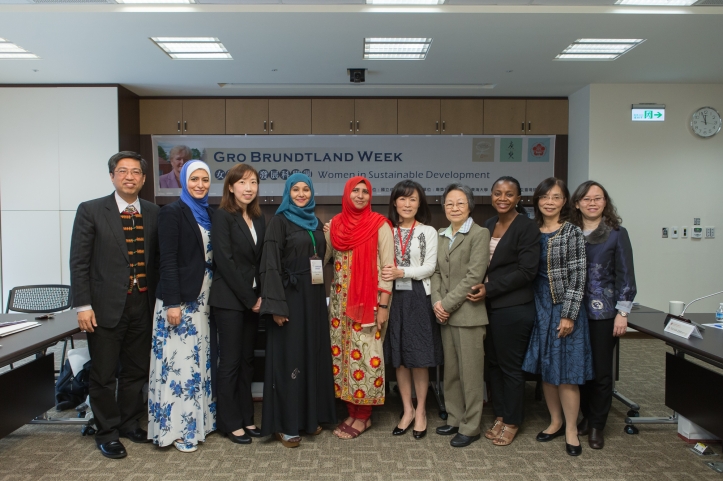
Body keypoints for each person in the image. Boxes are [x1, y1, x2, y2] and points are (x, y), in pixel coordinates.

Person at [70, 151, 160, 459]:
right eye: (123, 171)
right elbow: (79, 262)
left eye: (136, 172)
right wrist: (82, 305)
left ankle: (128, 422)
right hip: (104, 306)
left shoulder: (154, 212)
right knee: (104, 374)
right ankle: (106, 431)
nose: (130, 177)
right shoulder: (91, 211)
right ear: (112, 176)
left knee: (135, 371)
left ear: (144, 179)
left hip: (142, 304)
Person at [259, 173, 336, 447]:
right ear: (287, 193)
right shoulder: (279, 222)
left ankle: (308, 417)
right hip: (289, 298)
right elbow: (270, 266)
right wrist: (277, 307)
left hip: (313, 297)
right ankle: (285, 424)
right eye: (296, 190)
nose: (301, 194)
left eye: (306, 189)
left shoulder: (315, 223)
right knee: (289, 358)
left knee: (310, 356)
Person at [522, 177, 593, 457]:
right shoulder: (530, 230)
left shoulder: (571, 232)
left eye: (556, 197)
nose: (549, 202)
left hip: (563, 307)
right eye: (544, 197)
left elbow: (579, 277)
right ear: (537, 200)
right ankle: (555, 421)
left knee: (566, 373)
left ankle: (572, 429)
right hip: (537, 306)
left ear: (564, 201)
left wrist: (569, 314)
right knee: (547, 369)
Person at [148, 160, 216, 453]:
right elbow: (168, 260)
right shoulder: (172, 213)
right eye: (194, 179)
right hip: (180, 302)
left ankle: (199, 423)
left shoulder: (209, 214)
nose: (200, 185)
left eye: (204, 180)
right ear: (183, 181)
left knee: (197, 362)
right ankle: (175, 430)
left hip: (204, 299)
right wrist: (172, 304)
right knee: (179, 366)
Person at [467, 176, 540, 446]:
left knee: (510, 367)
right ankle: (499, 414)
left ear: (519, 198)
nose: (502, 198)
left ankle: (512, 420)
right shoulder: (488, 224)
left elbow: (527, 271)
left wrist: (490, 288)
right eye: (498, 193)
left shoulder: (527, 227)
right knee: (493, 365)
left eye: (509, 194)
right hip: (489, 307)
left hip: (514, 308)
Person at [325, 176, 394, 439]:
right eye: (355, 190)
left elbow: (387, 270)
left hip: (370, 304)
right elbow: (325, 258)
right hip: (340, 305)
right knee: (343, 356)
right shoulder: (335, 226)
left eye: (365, 191)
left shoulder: (380, 225)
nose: (361, 195)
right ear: (346, 194)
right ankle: (351, 411)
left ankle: (363, 417)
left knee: (366, 356)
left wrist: (384, 305)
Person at [571, 180, 637, 450]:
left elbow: (626, 276)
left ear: (605, 203)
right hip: (573, 312)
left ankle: (597, 424)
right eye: (586, 199)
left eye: (598, 198)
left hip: (604, 313)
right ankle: (586, 416)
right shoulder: (569, 233)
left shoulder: (616, 234)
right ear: (577, 204)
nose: (592, 203)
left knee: (600, 371)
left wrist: (623, 313)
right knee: (581, 369)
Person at [209, 164, 265, 445]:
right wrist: (251, 299)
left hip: (252, 300)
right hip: (230, 300)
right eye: (242, 182)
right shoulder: (223, 216)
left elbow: (261, 261)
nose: (248, 187)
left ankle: (246, 417)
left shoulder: (258, 217)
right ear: (230, 187)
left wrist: (261, 296)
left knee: (247, 362)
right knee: (230, 362)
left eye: (253, 182)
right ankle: (229, 422)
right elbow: (225, 262)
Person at [381, 180, 442, 440]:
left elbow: (429, 267)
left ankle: (421, 412)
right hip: (392, 296)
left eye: (413, 199)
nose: (407, 204)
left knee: (419, 355)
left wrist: (401, 272)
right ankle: (406, 410)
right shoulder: (386, 230)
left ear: (420, 203)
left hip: (418, 296)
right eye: (402, 199)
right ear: (394, 202)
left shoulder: (428, 231)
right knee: (399, 356)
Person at [431, 183, 490, 448]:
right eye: (449, 203)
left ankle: (471, 425)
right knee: (452, 373)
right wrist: (436, 303)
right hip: (445, 315)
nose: (454, 208)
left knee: (471, 374)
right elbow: (434, 272)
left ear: (470, 206)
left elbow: (474, 276)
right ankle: (454, 418)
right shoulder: (441, 234)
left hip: (468, 315)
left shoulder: (479, 233)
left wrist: (447, 304)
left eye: (460, 203)